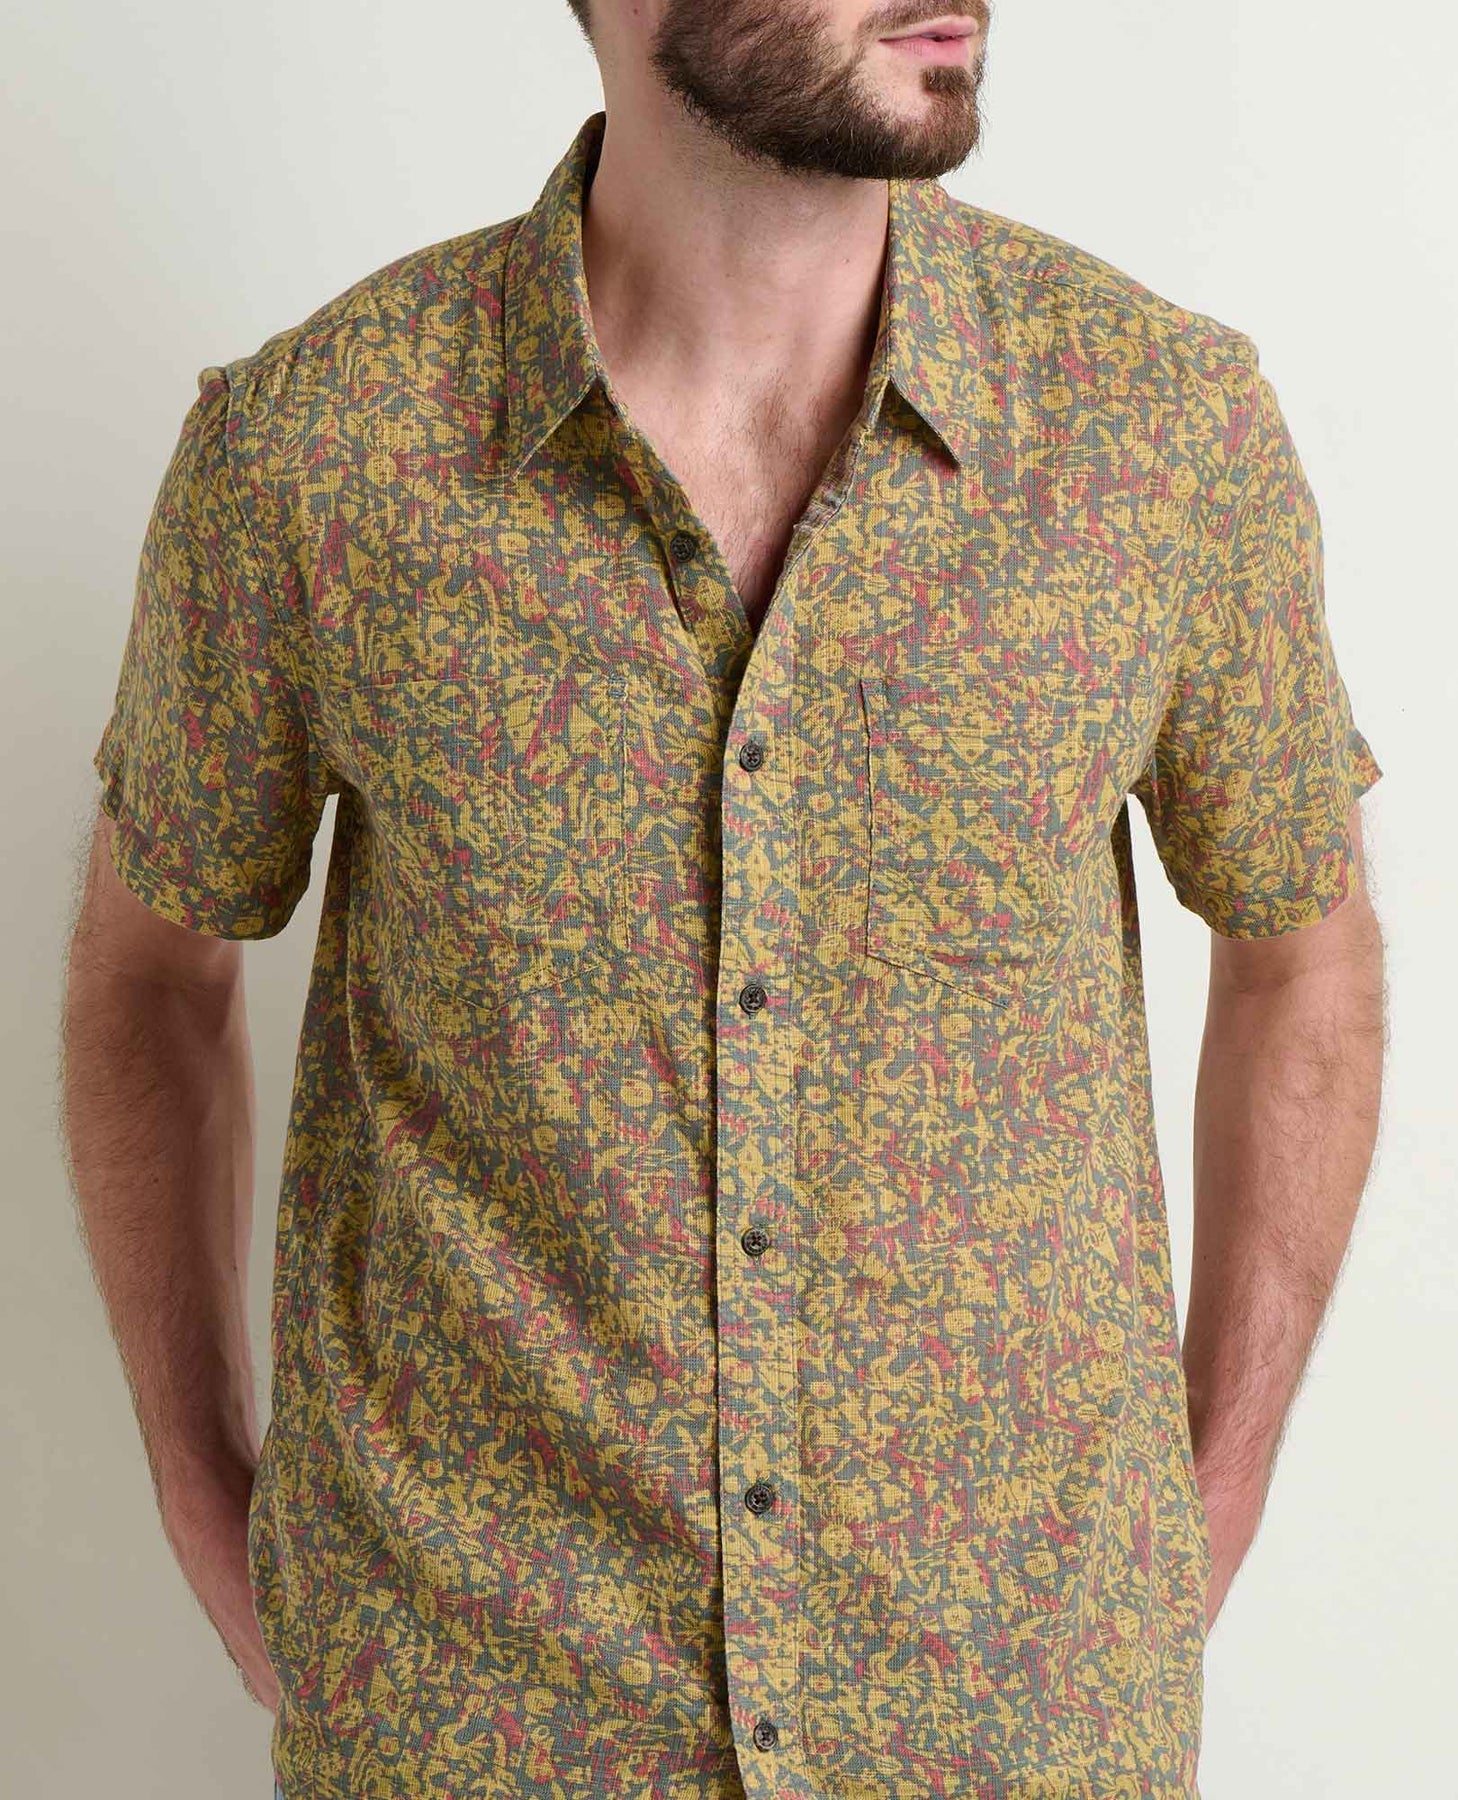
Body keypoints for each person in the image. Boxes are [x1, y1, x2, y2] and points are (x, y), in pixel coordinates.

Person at [62, 1, 1386, 1796]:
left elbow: (1300, 957)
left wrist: (1211, 1488)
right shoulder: (317, 451)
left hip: (1014, 1709)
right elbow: (153, 979)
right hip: (470, 1706)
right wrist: (197, 1480)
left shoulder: (1158, 432)